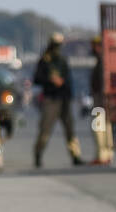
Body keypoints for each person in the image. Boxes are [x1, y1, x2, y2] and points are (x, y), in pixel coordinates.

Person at [32, 32, 83, 168]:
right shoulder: (44, 60)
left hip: (64, 98)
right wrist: (50, 80)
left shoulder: (62, 60)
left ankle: (75, 155)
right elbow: (36, 79)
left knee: (70, 129)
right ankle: (38, 154)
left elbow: (68, 79)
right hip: (50, 99)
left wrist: (63, 85)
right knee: (45, 129)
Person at [89, 35, 113, 165]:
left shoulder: (102, 62)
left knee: (98, 127)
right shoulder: (105, 60)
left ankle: (102, 155)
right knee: (107, 127)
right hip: (105, 99)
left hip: (100, 99)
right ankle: (107, 153)